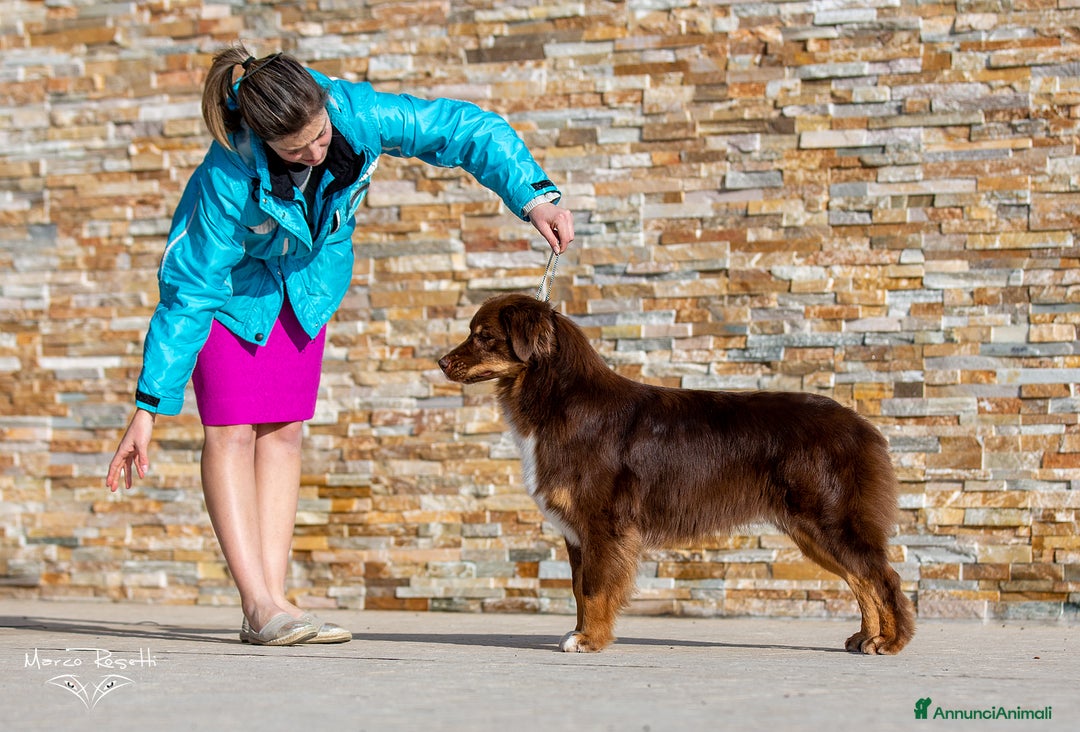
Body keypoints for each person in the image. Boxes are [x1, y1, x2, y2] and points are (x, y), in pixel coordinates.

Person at [105, 43, 575, 645]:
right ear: (261, 137)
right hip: (227, 297)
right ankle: (257, 604)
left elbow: (463, 129)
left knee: (284, 430)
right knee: (229, 429)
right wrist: (147, 408)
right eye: (298, 149)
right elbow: (189, 292)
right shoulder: (226, 174)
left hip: (306, 288)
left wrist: (534, 196)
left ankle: (278, 603)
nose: (317, 151)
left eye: (321, 135)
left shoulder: (354, 111)